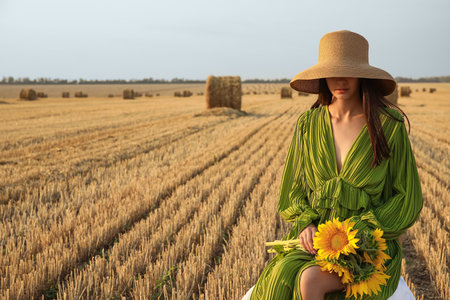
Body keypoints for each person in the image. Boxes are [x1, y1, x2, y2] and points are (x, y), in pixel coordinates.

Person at [246, 30, 423, 300]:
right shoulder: (308, 125)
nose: (339, 80)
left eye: (348, 72)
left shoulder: (389, 126)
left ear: (363, 75)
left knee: (310, 280)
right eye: (332, 72)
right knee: (279, 278)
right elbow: (293, 191)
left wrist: (362, 229)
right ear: (321, 76)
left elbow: (407, 198)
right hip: (317, 242)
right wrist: (306, 224)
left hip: (367, 244)